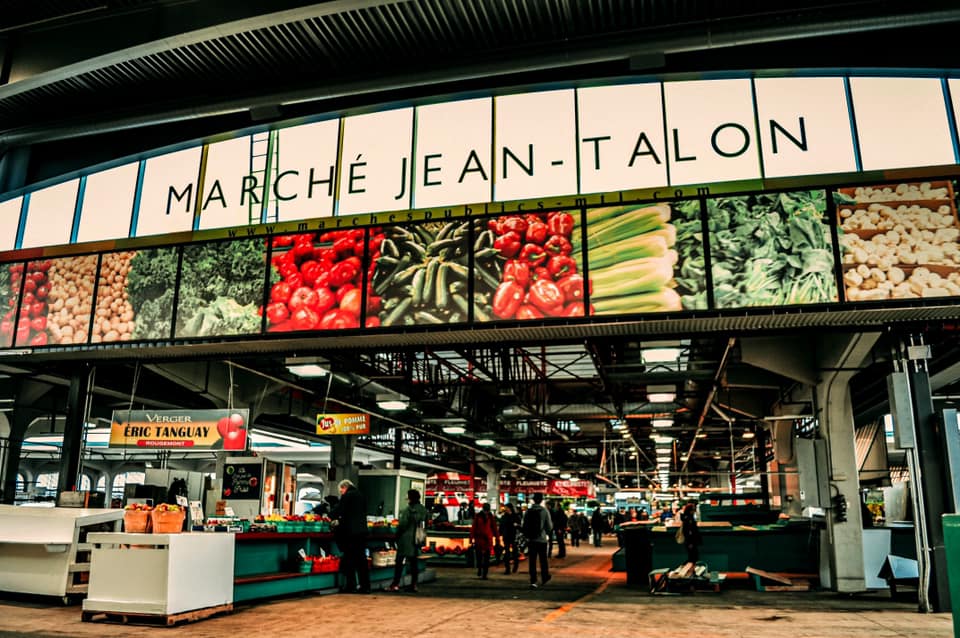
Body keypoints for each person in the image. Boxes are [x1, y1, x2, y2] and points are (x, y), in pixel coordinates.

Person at [331, 479, 371, 594]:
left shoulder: (347, 496)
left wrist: (330, 515)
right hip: (362, 532)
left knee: (349, 559)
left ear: (344, 487)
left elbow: (339, 510)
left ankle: (350, 586)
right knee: (362, 560)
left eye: (341, 491)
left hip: (351, 533)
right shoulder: (361, 495)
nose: (341, 493)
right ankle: (365, 586)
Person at [387, 489, 428, 592]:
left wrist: (396, 535)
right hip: (417, 539)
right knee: (414, 563)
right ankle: (414, 584)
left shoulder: (408, 510)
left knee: (399, 562)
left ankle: (395, 584)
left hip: (405, 539)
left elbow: (403, 525)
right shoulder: (423, 510)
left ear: (410, 497)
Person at [524, 493, 553, 589]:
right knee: (543, 559)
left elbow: (524, 524)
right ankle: (544, 577)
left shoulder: (528, 511)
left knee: (532, 560)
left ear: (533, 500)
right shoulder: (544, 511)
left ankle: (533, 581)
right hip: (541, 540)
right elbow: (549, 526)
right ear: (541, 500)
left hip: (531, 540)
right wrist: (548, 533)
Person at [470, 502, 499, 579]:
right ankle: (479, 569)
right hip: (479, 539)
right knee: (479, 557)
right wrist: (471, 538)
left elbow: (494, 527)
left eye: (488, 510)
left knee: (487, 558)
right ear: (483, 509)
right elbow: (474, 527)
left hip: (487, 540)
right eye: (486, 510)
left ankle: (485, 574)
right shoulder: (478, 516)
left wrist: (497, 537)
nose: (487, 512)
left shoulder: (490, 516)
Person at [498, 503, 521, 574]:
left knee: (514, 552)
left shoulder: (515, 516)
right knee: (507, 553)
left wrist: (517, 525)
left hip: (513, 536)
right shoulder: (504, 516)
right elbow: (501, 525)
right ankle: (507, 569)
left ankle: (515, 566)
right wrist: (500, 533)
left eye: (506, 507)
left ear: (510, 508)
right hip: (506, 536)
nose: (505, 509)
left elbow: (519, 525)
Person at [680, 501, 702, 566]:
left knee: (692, 557)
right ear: (690, 510)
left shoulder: (687, 517)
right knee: (693, 558)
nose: (694, 511)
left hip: (690, 541)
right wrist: (690, 542)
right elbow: (689, 532)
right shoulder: (689, 519)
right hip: (691, 541)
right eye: (693, 509)